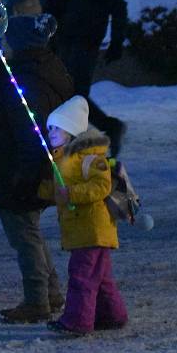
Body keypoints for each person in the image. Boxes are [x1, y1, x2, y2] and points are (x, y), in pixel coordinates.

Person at [0, 14, 74, 323]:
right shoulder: (43, 70)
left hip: (20, 174)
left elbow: (29, 134)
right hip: (33, 171)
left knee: (25, 237)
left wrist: (25, 177)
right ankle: (51, 292)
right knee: (31, 233)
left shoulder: (25, 82)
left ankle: (37, 300)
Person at [38, 96, 128, 335]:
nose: (51, 133)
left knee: (82, 276)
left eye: (57, 127)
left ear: (71, 130)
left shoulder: (91, 157)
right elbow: (59, 189)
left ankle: (77, 321)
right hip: (84, 229)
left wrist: (72, 194)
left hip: (93, 228)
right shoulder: (62, 159)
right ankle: (112, 315)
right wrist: (42, 190)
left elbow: (101, 187)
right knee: (101, 277)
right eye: (49, 128)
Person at [56, 0, 128, 156]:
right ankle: (98, 131)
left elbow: (117, 5)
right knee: (69, 92)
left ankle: (101, 131)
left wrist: (117, 40)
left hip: (88, 37)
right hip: (69, 33)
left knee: (77, 93)